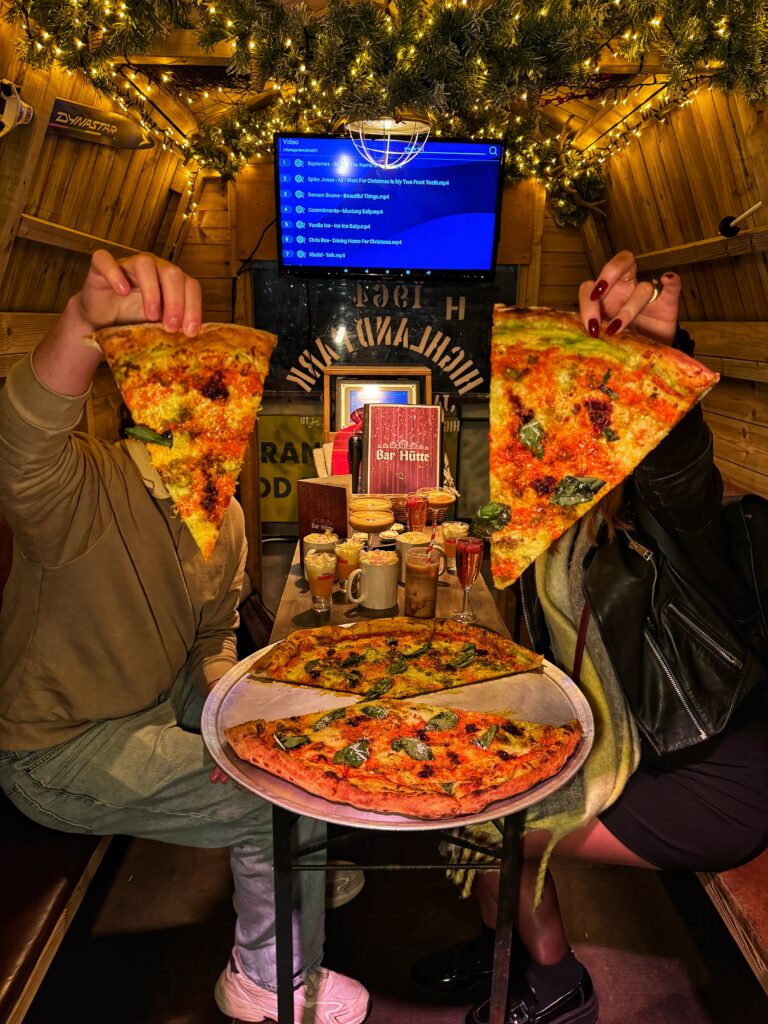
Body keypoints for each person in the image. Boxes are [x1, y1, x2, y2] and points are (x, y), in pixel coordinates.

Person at [0, 249, 370, 1024]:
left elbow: (212, 638)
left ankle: (293, 860)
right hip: (57, 748)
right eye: (211, 400)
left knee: (299, 730)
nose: (231, 425)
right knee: (280, 797)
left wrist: (235, 720)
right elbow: (21, 440)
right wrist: (84, 320)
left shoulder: (224, 515)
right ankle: (265, 979)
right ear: (155, 405)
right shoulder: (79, 486)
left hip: (158, 700)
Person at [411, 251, 768, 1024]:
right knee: (472, 775)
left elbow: (682, 475)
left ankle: (554, 982)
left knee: (495, 822)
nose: (546, 424)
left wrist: (658, 366)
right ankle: (498, 943)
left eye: (574, 400)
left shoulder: (659, 518)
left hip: (707, 772)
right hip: (630, 742)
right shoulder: (548, 519)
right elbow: (498, 546)